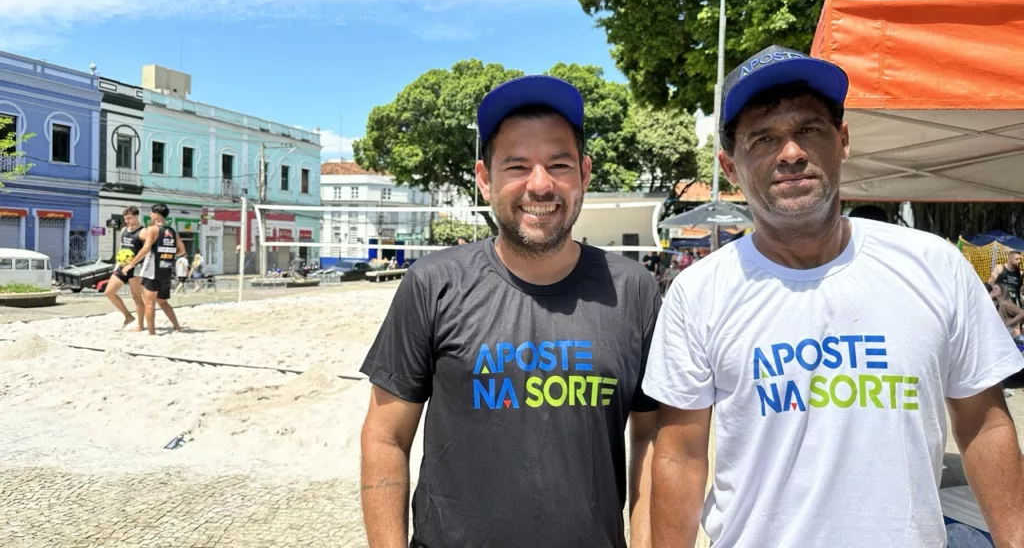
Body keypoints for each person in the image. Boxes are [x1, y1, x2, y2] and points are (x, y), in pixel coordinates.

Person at [644, 45, 1024, 547]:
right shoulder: (699, 292)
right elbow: (680, 455)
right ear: (730, 167)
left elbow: (983, 423)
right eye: (763, 138)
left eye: (809, 130)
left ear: (841, 140)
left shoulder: (934, 265)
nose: (791, 153)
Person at [359, 75, 661, 548]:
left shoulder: (635, 291)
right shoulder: (433, 283)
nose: (539, 185)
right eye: (517, 165)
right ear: (485, 179)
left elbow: (651, 440)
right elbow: (384, 438)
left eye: (558, 164)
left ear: (584, 174)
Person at [122, 203, 184, 335]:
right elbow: (182, 251)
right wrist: (167, 253)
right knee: (163, 302)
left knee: (149, 303)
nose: (150, 215)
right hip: (166, 271)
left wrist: (131, 264)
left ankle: (151, 333)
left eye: (151, 213)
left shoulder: (152, 229)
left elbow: (145, 249)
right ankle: (177, 327)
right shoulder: (173, 231)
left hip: (152, 271)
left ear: (156, 215)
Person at [105, 205, 147, 330]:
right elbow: (122, 248)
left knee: (136, 297)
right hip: (122, 266)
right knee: (109, 292)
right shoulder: (124, 230)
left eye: (129, 218)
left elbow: (146, 251)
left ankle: (140, 325)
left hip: (136, 267)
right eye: (125, 218)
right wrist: (118, 264)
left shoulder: (143, 232)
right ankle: (128, 316)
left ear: (136, 216)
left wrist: (132, 264)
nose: (127, 221)